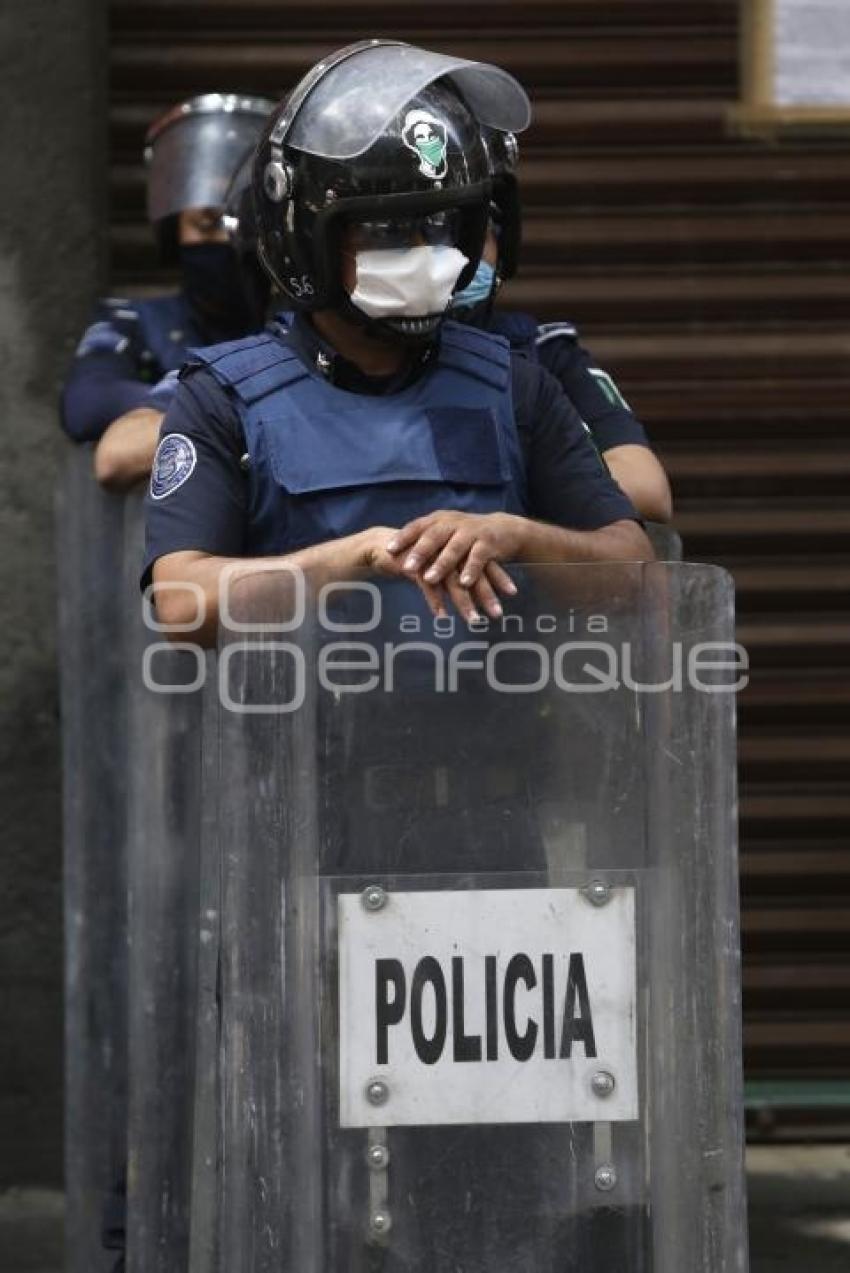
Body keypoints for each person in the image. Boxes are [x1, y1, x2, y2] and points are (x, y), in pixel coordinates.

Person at [143, 42, 650, 644]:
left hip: (497, 731)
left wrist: (521, 537)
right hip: (305, 734)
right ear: (305, 241)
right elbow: (179, 604)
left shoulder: (515, 384)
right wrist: (350, 559)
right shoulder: (223, 398)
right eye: (385, 230)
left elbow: (637, 572)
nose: (422, 253)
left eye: (440, 224)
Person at [452, 126, 673, 523]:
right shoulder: (313, 355)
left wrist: (501, 525)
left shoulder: (540, 355)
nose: (454, 259)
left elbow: (646, 487)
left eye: (474, 236)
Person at [61, 93, 274, 488]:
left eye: (238, 225)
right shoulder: (132, 322)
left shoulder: (301, 327)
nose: (226, 242)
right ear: (173, 232)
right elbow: (86, 403)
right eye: (207, 225)